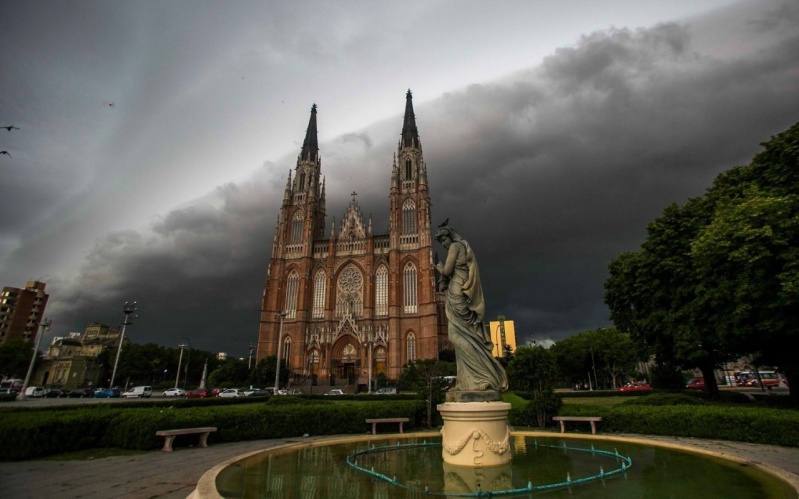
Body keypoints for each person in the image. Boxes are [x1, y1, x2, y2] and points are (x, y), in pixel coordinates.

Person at [434, 223, 508, 392]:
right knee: (461, 336)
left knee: (458, 336)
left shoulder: (455, 246)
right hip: (456, 292)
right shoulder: (462, 246)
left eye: (443, 240)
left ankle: (481, 376)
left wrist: (439, 268)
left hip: (458, 293)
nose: (443, 244)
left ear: (449, 236)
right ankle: (466, 380)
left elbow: (446, 271)